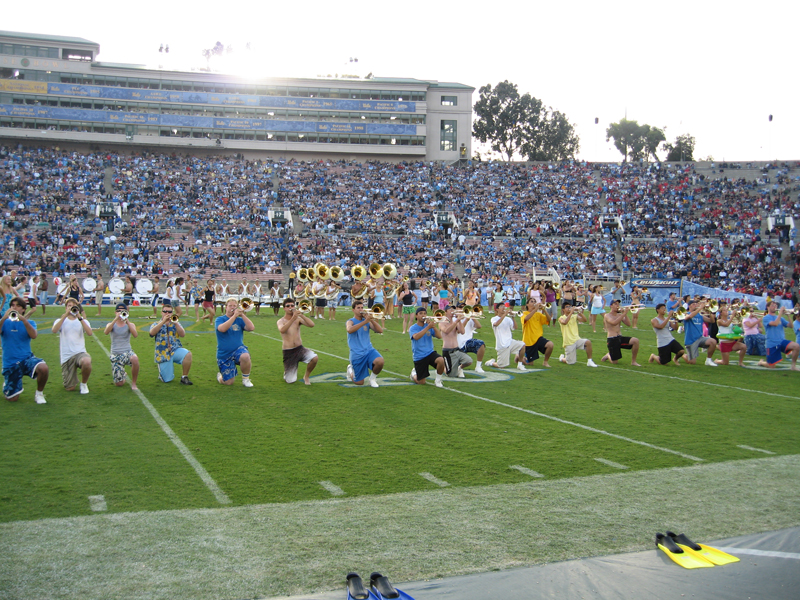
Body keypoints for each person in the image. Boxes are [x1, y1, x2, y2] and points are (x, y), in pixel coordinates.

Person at [1, 298, 49, 404]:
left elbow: (34, 335)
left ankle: (39, 394)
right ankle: (8, 383)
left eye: (17, 306)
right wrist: (4, 318)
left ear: (23, 309)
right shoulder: (4, 322)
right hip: (11, 363)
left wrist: (24, 320)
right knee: (13, 399)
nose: (14, 308)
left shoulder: (30, 322)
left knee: (43, 368)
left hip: (26, 359)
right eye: (12, 305)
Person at [51, 298, 93, 394]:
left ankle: (84, 383)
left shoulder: (82, 320)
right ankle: (73, 378)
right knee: (70, 388)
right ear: (66, 308)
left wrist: (80, 317)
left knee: (86, 361)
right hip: (67, 357)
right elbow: (54, 330)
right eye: (69, 305)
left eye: (73, 306)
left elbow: (90, 333)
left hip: (79, 353)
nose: (71, 307)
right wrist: (65, 315)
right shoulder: (60, 320)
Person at [277, 298, 318, 385]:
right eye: (288, 306)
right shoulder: (281, 321)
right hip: (288, 352)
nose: (290, 308)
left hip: (299, 349)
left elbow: (312, 325)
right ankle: (287, 372)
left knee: (314, 358)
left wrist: (301, 315)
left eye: (292, 305)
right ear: (284, 308)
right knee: (290, 381)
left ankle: (306, 376)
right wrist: (293, 318)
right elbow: (282, 330)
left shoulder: (298, 319)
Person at [150, 303, 193, 384]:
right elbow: (152, 333)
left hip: (174, 350)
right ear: (161, 312)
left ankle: (184, 377)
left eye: (169, 312)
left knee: (188, 354)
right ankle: (162, 373)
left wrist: (176, 323)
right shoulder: (156, 324)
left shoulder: (175, 323)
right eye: (165, 311)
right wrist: (163, 322)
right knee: (167, 380)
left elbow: (182, 334)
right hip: (163, 354)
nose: (167, 314)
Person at [215, 298, 255, 387]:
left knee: (245, 356)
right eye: (230, 306)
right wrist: (234, 317)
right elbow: (222, 329)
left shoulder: (239, 320)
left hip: (238, 349)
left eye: (234, 306)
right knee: (229, 382)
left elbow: (251, 328)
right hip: (224, 354)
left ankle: (246, 379)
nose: (232, 308)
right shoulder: (220, 319)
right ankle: (220, 377)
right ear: (226, 307)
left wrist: (242, 315)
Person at [345, 299, 385, 387]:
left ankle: (372, 379)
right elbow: (349, 330)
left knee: (380, 361)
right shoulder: (350, 321)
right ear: (353, 310)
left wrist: (371, 320)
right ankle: (350, 370)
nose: (361, 309)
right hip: (357, 353)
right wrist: (365, 321)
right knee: (359, 382)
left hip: (369, 350)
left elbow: (380, 330)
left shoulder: (367, 321)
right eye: (358, 308)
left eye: (362, 307)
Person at [103, 303, 140, 389]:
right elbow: (106, 332)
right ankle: (123, 374)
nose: (120, 313)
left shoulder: (130, 324)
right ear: (115, 312)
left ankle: (134, 383)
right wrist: (116, 319)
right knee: (119, 384)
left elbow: (135, 335)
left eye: (122, 311)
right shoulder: (111, 324)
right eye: (118, 311)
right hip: (116, 354)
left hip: (127, 352)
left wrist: (127, 321)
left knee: (135, 358)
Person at [409, 307, 446, 387]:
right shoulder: (413, 328)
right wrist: (428, 327)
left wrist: (434, 327)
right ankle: (413, 374)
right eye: (421, 313)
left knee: (441, 360)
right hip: (419, 356)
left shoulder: (428, 326)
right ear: (416, 316)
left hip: (430, 352)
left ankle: (438, 380)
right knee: (421, 382)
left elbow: (439, 336)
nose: (423, 315)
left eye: (424, 313)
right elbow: (416, 337)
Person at [758, 301, 800, 370]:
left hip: (781, 341)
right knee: (771, 366)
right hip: (772, 344)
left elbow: (791, 326)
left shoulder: (780, 318)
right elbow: (775, 323)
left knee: (796, 346)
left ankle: (793, 366)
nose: (774, 307)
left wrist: (788, 315)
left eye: (775, 306)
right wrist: (780, 313)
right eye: (772, 305)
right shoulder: (766, 318)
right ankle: (762, 362)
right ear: (768, 307)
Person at [599, 299, 641, 366]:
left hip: (619, 337)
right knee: (615, 362)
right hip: (612, 339)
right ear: (611, 306)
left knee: (635, 341)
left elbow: (628, 324)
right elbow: (614, 323)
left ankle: (633, 362)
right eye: (615, 304)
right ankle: (608, 355)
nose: (617, 305)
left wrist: (625, 314)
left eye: (618, 304)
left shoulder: (619, 315)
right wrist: (624, 313)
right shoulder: (607, 315)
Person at [485, 303, 526, 370]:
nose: (503, 308)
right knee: (501, 366)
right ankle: (491, 363)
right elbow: (496, 324)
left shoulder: (508, 319)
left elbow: (515, 327)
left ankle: (520, 364)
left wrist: (513, 317)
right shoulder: (494, 318)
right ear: (497, 309)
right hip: (501, 345)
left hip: (510, 342)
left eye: (504, 307)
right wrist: (504, 314)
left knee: (522, 345)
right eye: (501, 307)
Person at [682, 299, 719, 366]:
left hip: (700, 338)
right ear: (689, 306)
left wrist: (710, 311)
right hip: (691, 340)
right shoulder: (686, 314)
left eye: (696, 304)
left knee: (713, 341)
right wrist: (700, 308)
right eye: (694, 304)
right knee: (692, 362)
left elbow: (712, 321)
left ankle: (708, 360)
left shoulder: (700, 316)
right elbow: (689, 317)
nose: (695, 305)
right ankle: (683, 355)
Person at [439, 305, 473, 378]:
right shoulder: (442, 323)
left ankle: (459, 367)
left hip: (456, 349)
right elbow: (447, 331)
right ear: (445, 312)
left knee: (469, 360)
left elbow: (462, 331)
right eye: (450, 309)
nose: (452, 311)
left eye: (453, 309)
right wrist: (457, 321)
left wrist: (459, 320)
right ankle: (442, 367)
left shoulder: (456, 322)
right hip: (448, 352)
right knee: (451, 375)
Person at [520, 298, 553, 368]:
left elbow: (549, 319)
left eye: (535, 301)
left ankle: (545, 362)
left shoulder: (538, 314)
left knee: (550, 345)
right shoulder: (523, 313)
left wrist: (544, 309)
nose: (534, 303)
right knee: (530, 364)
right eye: (531, 301)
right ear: (527, 304)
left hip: (538, 338)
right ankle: (519, 357)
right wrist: (536, 309)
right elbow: (526, 319)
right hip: (528, 341)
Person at [456, 303, 486, 373]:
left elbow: (479, 326)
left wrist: (473, 317)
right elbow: (459, 331)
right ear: (457, 308)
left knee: (481, 344)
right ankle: (459, 367)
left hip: (468, 342)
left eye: (465, 307)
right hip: (457, 344)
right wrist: (466, 319)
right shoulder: (454, 319)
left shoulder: (469, 318)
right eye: (461, 307)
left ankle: (478, 366)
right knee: (452, 370)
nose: (463, 309)